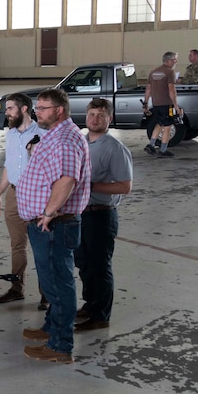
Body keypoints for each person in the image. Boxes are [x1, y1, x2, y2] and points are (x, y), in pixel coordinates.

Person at [16, 88, 91, 364]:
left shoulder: (65, 140)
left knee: (58, 285)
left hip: (55, 224)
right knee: (52, 281)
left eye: (44, 108)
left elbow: (66, 181)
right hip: (50, 223)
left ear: (59, 111)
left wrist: (48, 213)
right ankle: (51, 329)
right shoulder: (57, 135)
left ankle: (60, 346)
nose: (38, 112)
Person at [73, 98, 133, 332]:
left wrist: (89, 186)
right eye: (91, 114)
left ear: (110, 119)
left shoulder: (115, 148)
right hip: (80, 213)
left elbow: (125, 187)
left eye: (100, 115)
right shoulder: (81, 143)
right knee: (84, 264)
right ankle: (90, 305)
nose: (95, 119)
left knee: (99, 265)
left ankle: (101, 315)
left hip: (101, 215)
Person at [0, 93, 46, 305]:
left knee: (41, 247)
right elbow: (9, 165)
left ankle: (46, 294)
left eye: (10, 108)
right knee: (17, 245)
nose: (6, 113)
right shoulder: (11, 134)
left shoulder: (42, 134)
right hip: (14, 194)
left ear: (24, 109)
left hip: (36, 195)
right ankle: (17, 288)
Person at [142, 51, 181, 158]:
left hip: (156, 104)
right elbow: (171, 89)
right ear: (168, 61)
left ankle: (151, 145)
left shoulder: (153, 72)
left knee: (160, 123)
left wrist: (145, 103)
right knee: (167, 126)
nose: (176, 61)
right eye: (174, 59)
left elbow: (148, 88)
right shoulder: (170, 72)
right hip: (166, 104)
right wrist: (176, 106)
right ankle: (163, 151)